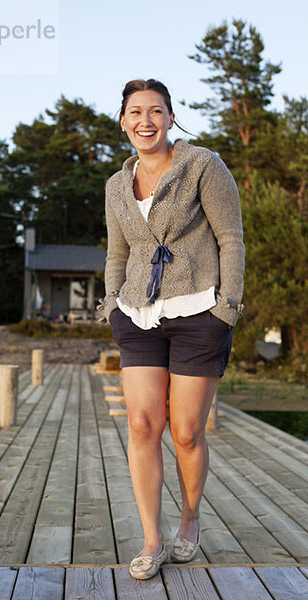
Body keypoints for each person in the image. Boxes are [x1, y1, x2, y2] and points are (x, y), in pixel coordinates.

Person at [97, 78, 244, 580]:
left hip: (200, 311)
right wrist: (112, 305)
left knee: (184, 432)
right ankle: (152, 539)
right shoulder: (117, 185)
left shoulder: (203, 165)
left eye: (155, 111)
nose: (145, 120)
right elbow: (118, 251)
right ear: (123, 121)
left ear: (171, 117)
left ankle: (189, 517)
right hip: (138, 316)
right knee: (142, 425)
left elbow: (231, 238)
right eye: (135, 112)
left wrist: (228, 307)